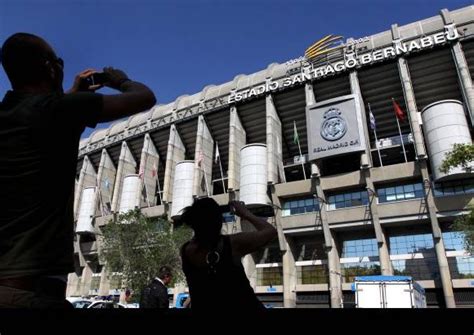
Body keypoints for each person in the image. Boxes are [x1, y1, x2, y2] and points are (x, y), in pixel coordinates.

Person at [0, 33, 156, 308]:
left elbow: (43, 113)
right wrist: (118, 80)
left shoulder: (10, 116)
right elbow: (144, 98)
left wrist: (71, 94)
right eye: (58, 61)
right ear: (49, 67)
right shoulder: (59, 110)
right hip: (30, 292)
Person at [180, 198, 277, 310]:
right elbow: (270, 232)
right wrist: (246, 213)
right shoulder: (232, 243)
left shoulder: (185, 250)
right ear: (218, 221)